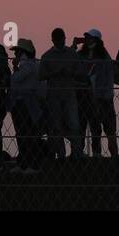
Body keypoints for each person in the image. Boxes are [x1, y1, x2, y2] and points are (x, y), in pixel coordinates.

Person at [40, 27, 80, 158]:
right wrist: (55, 73)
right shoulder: (46, 56)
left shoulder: (72, 54)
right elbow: (40, 76)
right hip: (54, 96)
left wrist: (70, 73)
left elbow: (80, 73)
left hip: (69, 94)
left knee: (73, 123)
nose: (60, 42)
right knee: (56, 126)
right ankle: (61, 154)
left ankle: (76, 153)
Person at [8, 39, 46, 172]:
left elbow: (16, 79)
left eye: (18, 51)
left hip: (26, 103)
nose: (16, 55)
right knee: (23, 133)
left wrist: (16, 68)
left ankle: (31, 164)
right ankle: (24, 162)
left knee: (27, 133)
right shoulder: (32, 64)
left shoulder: (28, 65)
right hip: (22, 103)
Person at [84, 30, 118, 157]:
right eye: (87, 38)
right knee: (95, 129)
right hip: (90, 97)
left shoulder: (104, 57)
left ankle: (114, 155)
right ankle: (97, 154)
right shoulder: (85, 55)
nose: (87, 40)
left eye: (90, 38)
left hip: (103, 98)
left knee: (109, 129)